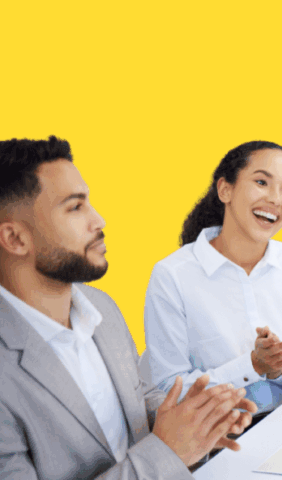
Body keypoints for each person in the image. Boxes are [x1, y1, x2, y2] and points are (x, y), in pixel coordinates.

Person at [0, 136, 255, 479]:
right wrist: (168, 452)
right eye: (75, 207)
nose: (99, 220)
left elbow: (133, 397)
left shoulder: (100, 307)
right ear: (15, 239)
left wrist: (198, 420)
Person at [144, 141, 282, 421]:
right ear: (225, 190)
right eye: (261, 182)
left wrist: (280, 369)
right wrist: (252, 366)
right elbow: (170, 387)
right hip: (216, 435)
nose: (275, 199)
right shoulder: (173, 275)